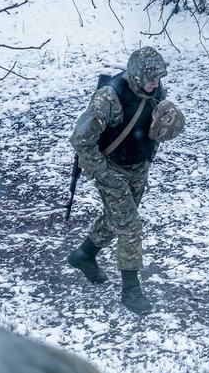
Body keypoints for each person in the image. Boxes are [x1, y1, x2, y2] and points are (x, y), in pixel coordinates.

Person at [65, 46, 185, 314]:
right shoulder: (109, 97)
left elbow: (153, 123)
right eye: (151, 77)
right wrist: (103, 173)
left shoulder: (156, 91)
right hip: (110, 168)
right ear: (137, 75)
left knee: (116, 217)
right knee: (130, 225)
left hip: (138, 166)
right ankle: (131, 290)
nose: (156, 83)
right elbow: (81, 140)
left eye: (159, 77)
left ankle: (84, 255)